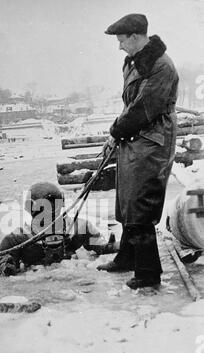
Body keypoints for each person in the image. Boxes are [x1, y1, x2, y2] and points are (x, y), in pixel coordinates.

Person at [97, 13, 179, 290]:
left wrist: (116, 130)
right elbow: (130, 105)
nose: (119, 46)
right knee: (127, 201)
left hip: (153, 141)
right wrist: (116, 135)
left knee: (141, 203)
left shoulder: (161, 66)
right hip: (135, 139)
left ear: (135, 36)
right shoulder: (134, 63)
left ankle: (148, 273)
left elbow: (144, 107)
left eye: (121, 40)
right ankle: (127, 257)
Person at [0, 182, 118, 276]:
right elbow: (5, 254)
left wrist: (109, 246)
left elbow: (99, 244)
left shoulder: (78, 228)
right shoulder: (19, 238)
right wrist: (7, 265)